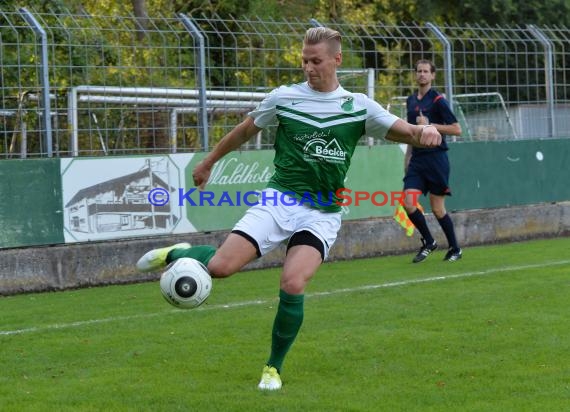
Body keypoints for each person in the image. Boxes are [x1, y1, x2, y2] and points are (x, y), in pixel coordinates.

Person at [136, 27, 442, 391]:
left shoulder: (358, 106)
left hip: (323, 212)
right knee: (219, 268)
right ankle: (180, 251)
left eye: (316, 61)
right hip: (279, 201)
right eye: (304, 61)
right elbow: (245, 130)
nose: (309, 68)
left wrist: (426, 133)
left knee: (293, 282)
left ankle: (273, 368)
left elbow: (404, 130)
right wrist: (209, 161)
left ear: (336, 60)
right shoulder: (284, 98)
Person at [402, 59, 463, 263]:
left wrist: (431, 125)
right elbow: (411, 133)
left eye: (426, 71)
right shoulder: (410, 101)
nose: (422, 74)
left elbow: (456, 129)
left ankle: (455, 249)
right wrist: (407, 159)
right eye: (418, 71)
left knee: (437, 208)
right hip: (417, 160)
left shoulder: (438, 100)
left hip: (436, 159)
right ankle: (429, 241)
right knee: (408, 202)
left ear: (432, 75)